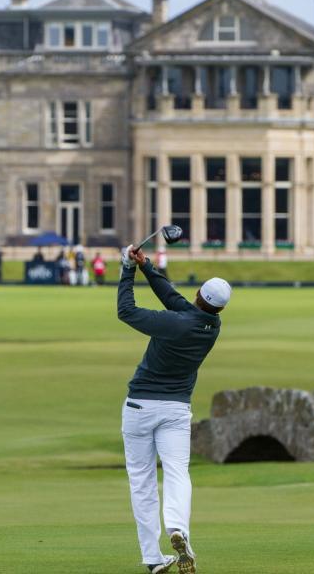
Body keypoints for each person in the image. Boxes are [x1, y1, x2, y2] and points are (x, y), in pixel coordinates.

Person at [117, 244, 231, 574]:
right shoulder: (211, 325)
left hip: (140, 406)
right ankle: (178, 529)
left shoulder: (176, 324)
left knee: (142, 481)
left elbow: (127, 311)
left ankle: (153, 559)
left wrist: (126, 270)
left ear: (198, 294)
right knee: (178, 472)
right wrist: (146, 266)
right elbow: (174, 299)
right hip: (176, 410)